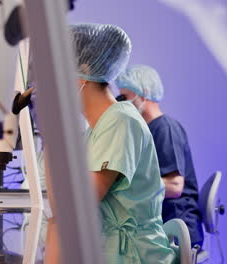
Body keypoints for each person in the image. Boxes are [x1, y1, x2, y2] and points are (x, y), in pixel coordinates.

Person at [45, 24, 176, 264]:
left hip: (134, 256)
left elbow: (76, 206)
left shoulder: (121, 121)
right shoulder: (94, 131)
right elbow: (61, 209)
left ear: (80, 77)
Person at [116, 64, 204, 248]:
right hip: (161, 227)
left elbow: (174, 186)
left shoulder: (165, 128)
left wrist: (129, 187)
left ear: (144, 92)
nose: (121, 103)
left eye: (124, 97)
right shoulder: (147, 131)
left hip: (177, 229)